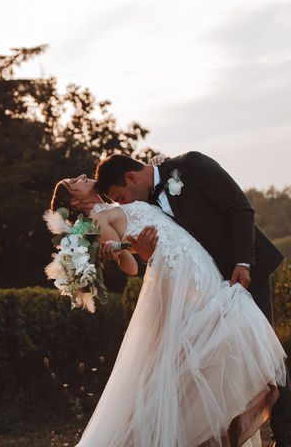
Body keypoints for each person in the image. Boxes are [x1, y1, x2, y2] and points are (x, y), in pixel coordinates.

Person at [50, 172, 287, 446]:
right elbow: (132, 266)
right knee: (203, 358)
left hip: (199, 267)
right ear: (76, 201)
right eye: (74, 182)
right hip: (178, 286)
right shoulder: (98, 220)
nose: (81, 177)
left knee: (214, 356)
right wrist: (120, 249)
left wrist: (155, 165)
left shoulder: (118, 203)